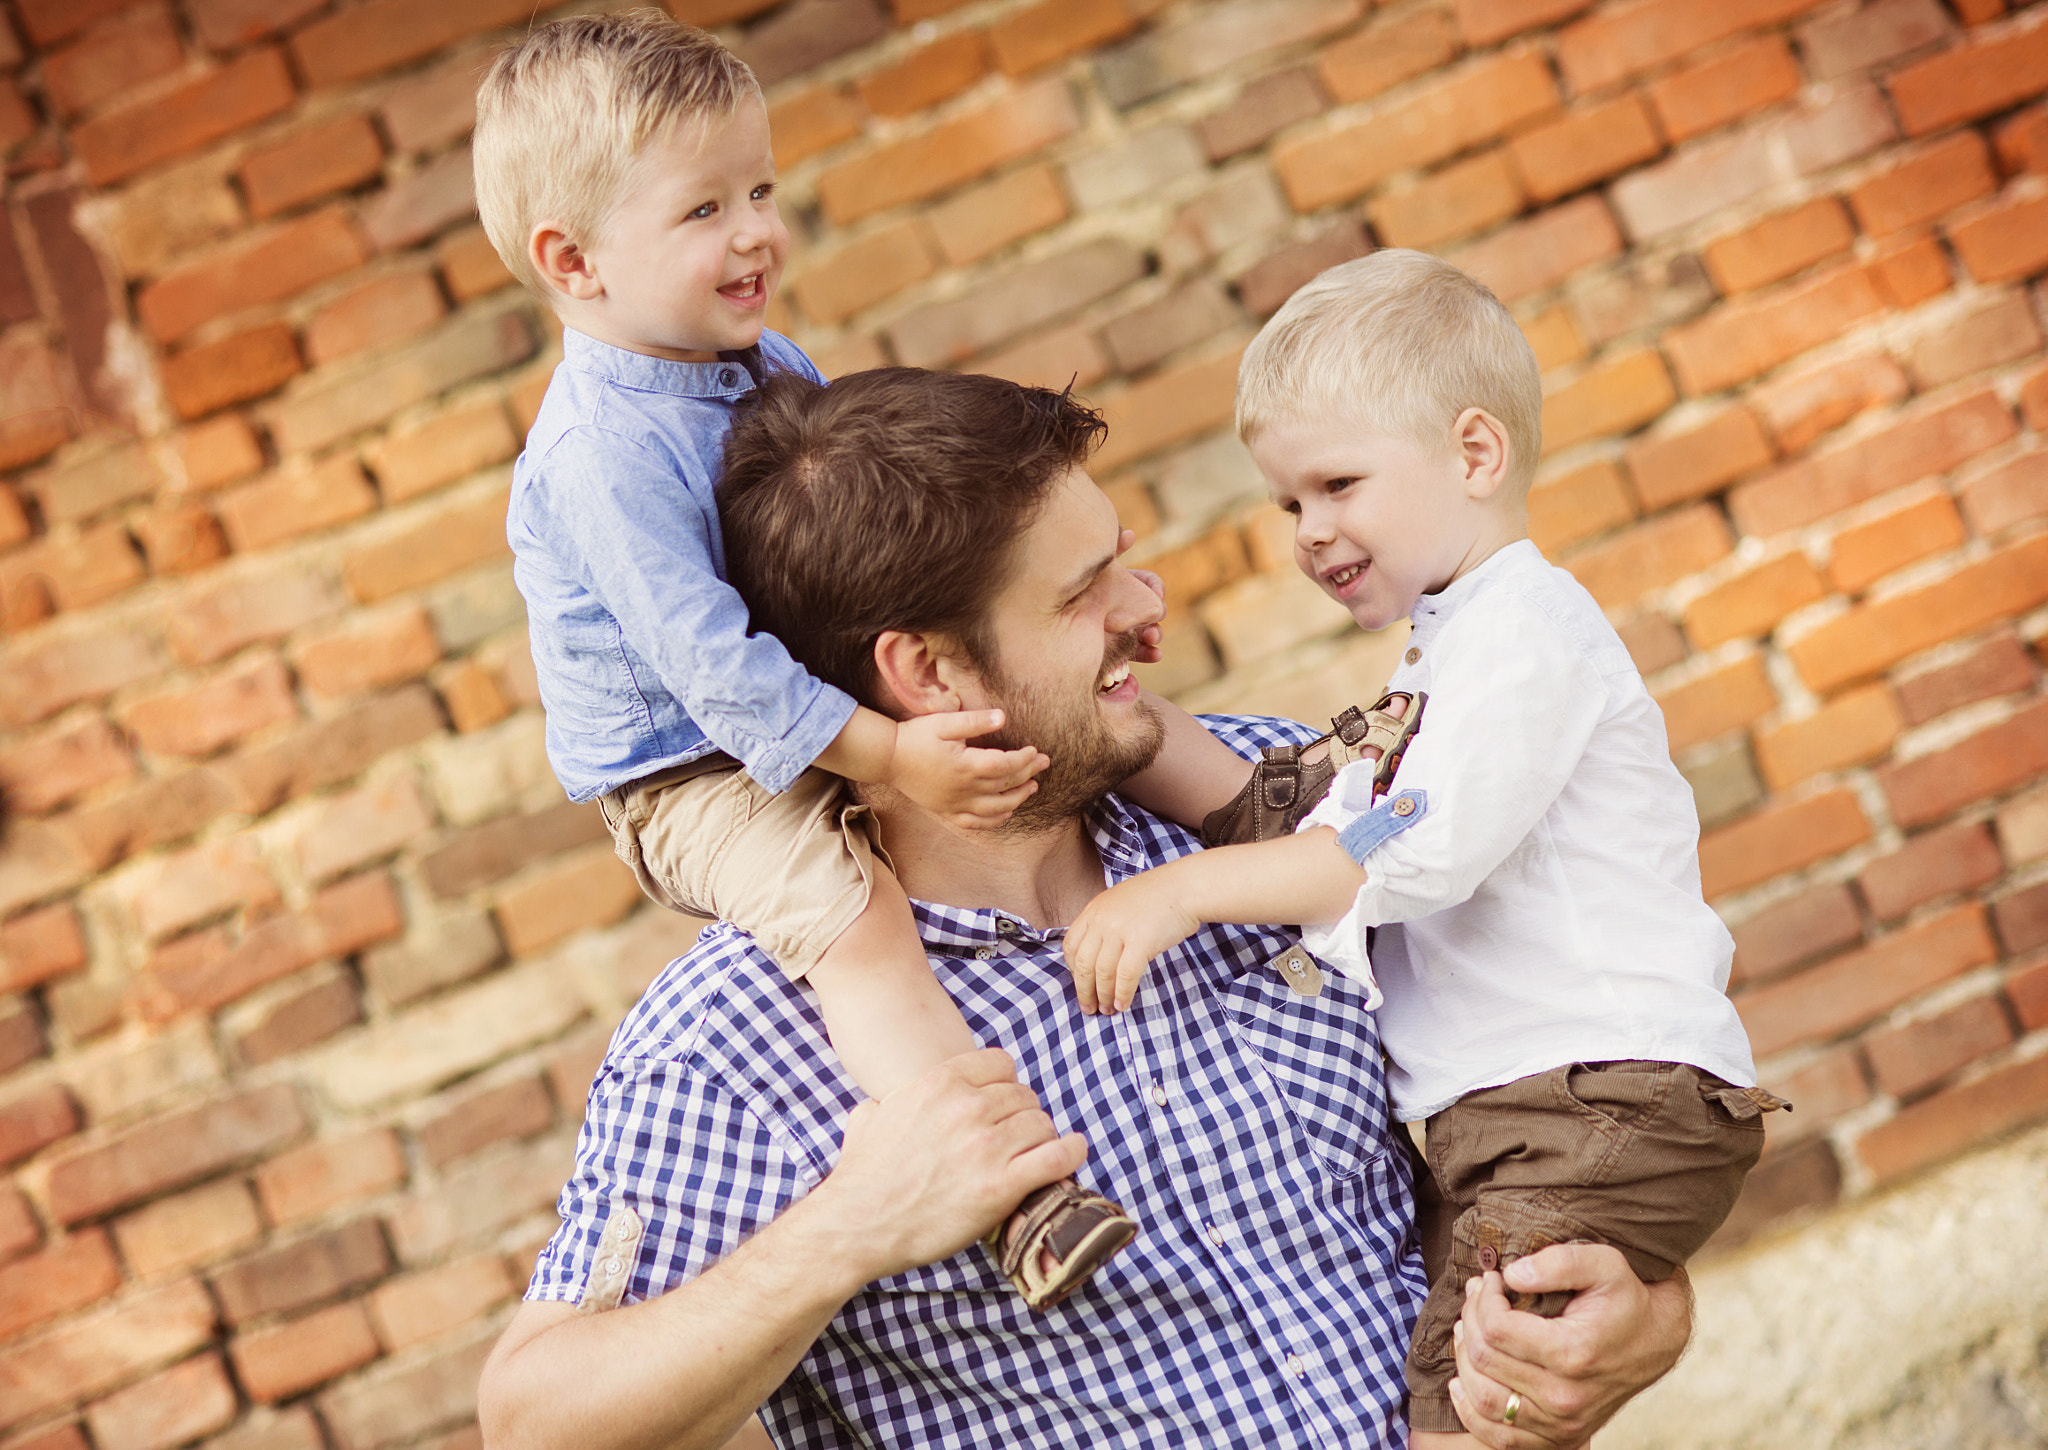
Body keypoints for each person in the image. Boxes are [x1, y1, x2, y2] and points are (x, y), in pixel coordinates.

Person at [476, 367, 1695, 1450]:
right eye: (1081, 591)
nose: (1142, 605)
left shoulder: (1288, 823)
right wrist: (844, 1229)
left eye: (1121, 552)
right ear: (930, 674)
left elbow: (1573, 1110)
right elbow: (533, 1417)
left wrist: (1636, 1315)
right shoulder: (741, 1037)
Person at [472, 10, 1252, 1306]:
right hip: (694, 769)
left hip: (808, 692)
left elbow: (850, 535)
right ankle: (1015, 1191)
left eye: (762, 190)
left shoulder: (758, 359)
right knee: (859, 920)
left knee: (1055, 697)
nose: (758, 231)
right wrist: (888, 749)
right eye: (705, 209)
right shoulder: (598, 454)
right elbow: (712, 666)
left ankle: (1256, 808)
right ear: (574, 259)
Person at [1063, 250, 1783, 1447]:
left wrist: (1184, 890)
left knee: (1463, 1398)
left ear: (1474, 453)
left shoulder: (1525, 633)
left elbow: (1402, 847)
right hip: (1528, 1116)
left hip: (1594, 1098)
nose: (1309, 531)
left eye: (1337, 483)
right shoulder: (1453, 642)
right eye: (1289, 501)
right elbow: (1324, 825)